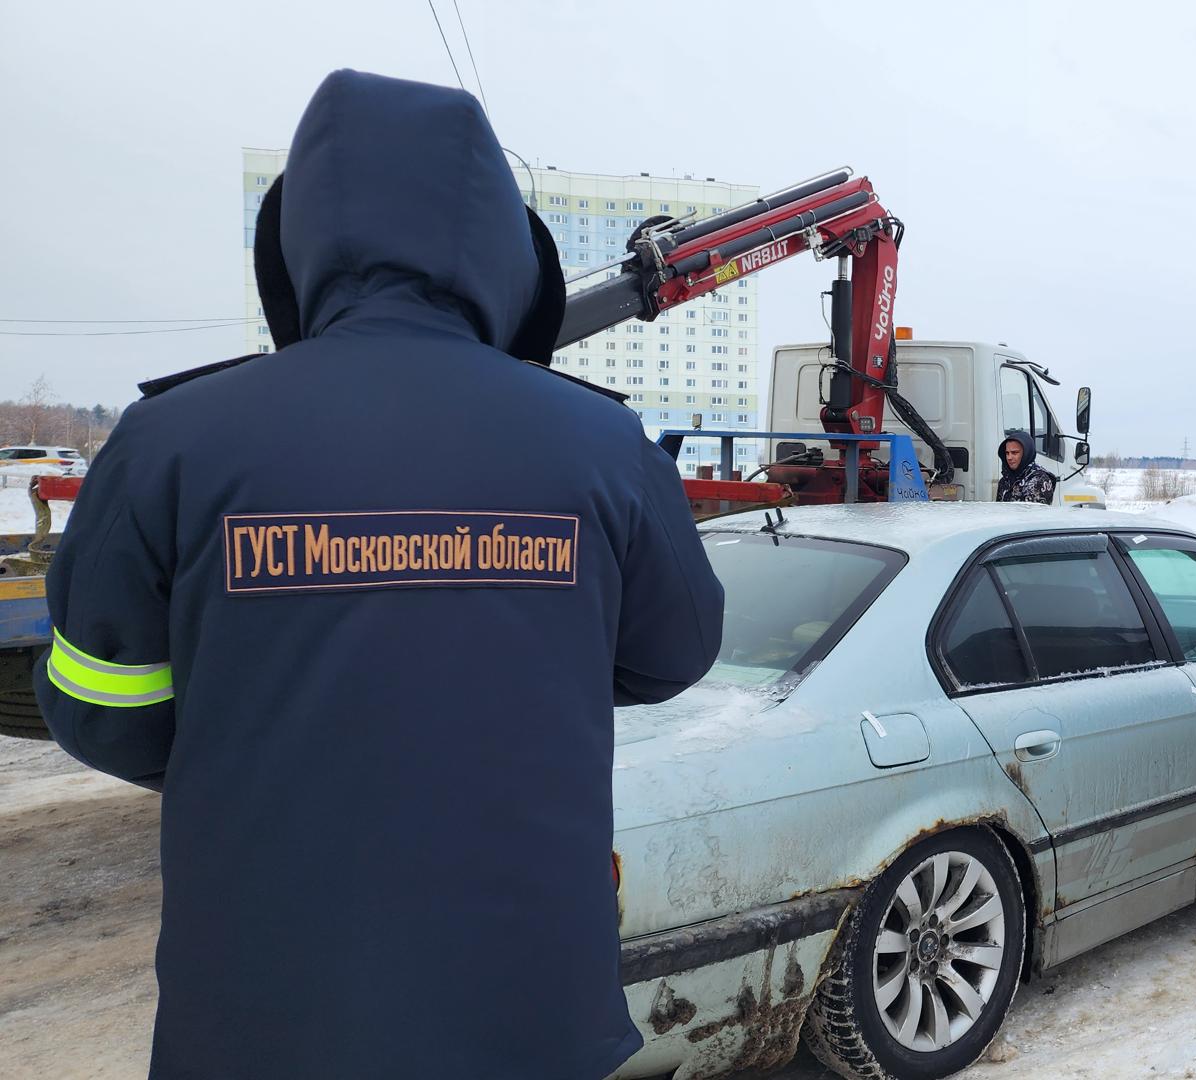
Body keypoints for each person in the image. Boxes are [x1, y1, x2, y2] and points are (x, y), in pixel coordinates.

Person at [35, 70, 721, 1080]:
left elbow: (100, 709)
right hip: (530, 1024)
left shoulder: (169, 444)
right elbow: (676, 653)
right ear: (506, 255)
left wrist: (262, 721)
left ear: (294, 247)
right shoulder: (604, 446)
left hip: (257, 1026)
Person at [995, 430, 1058, 503]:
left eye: (1014, 453)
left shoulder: (1039, 479)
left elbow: (1034, 513)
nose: (1009, 457)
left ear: (1026, 453)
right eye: (1007, 453)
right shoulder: (1004, 481)